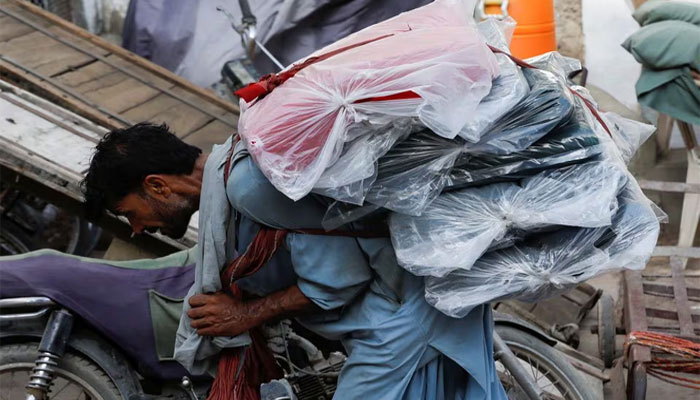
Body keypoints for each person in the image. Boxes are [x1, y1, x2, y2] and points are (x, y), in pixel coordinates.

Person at [82, 122, 507, 400]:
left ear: (156, 186)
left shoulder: (246, 186)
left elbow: (339, 277)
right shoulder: (233, 174)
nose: (136, 229)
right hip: (400, 306)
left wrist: (245, 314)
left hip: (401, 316)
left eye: (128, 213)